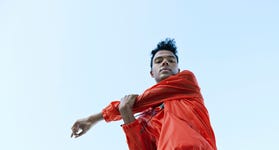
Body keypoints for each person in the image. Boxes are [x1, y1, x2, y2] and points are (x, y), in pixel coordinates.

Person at [71, 38, 217, 150]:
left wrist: (92, 119)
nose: (165, 62)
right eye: (159, 61)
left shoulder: (187, 81)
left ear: (178, 70)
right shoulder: (146, 118)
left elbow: (141, 101)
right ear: (151, 72)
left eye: (171, 60)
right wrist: (127, 114)